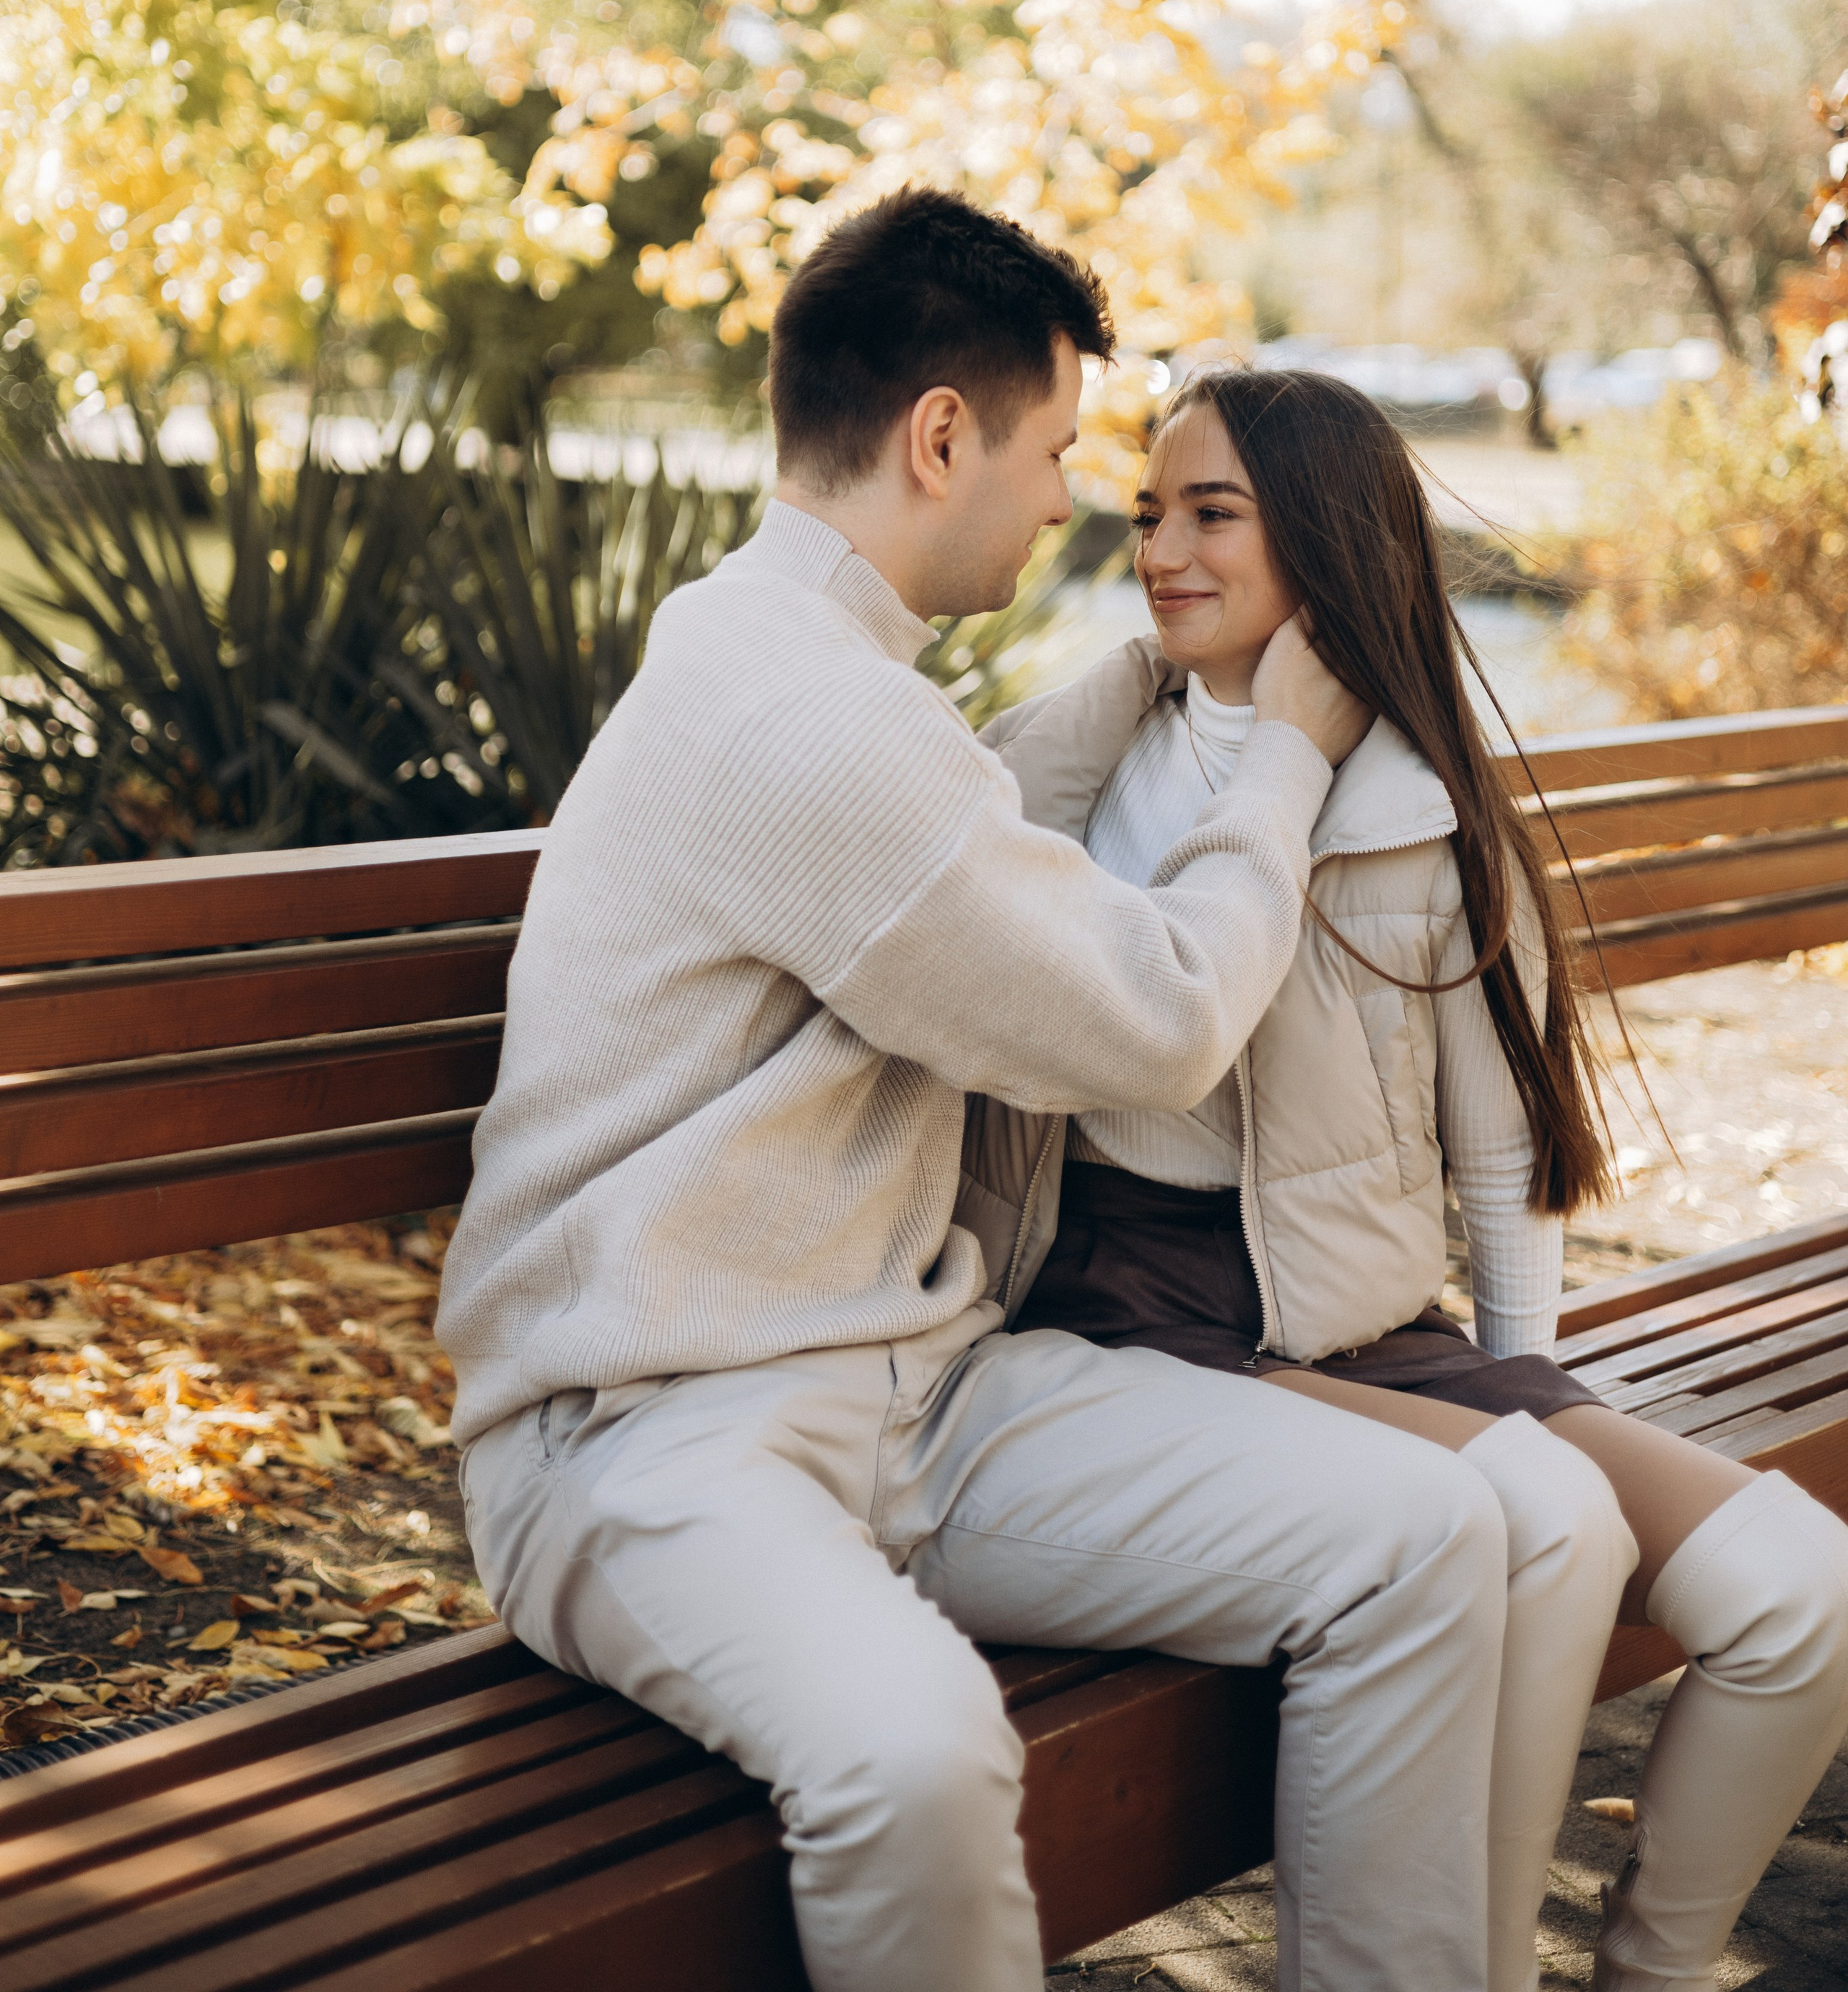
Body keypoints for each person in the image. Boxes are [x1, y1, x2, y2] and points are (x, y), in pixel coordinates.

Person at [436, 187, 1621, 1992]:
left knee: (1428, 1537)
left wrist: (1161, 665)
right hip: (649, 1431)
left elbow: (968, 807)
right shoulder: (801, 722)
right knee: (917, 1751)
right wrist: (1284, 763)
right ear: (938, 438)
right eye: (1057, 451)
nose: (1073, 502)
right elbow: (1153, 1020)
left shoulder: (804, 664)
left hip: (917, 1392)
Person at [990, 362, 1848, 1992]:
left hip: (1365, 1326)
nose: (1160, 548)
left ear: (1318, 540)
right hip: (1141, 1321)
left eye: (1210, 514)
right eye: (1144, 514)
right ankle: (1475, 1966)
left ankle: (1647, 1968)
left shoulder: (1427, 809)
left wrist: (1527, 1381)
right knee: (1544, 1522)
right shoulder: (1092, 773)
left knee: (1800, 1587)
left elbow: (1498, 1148)